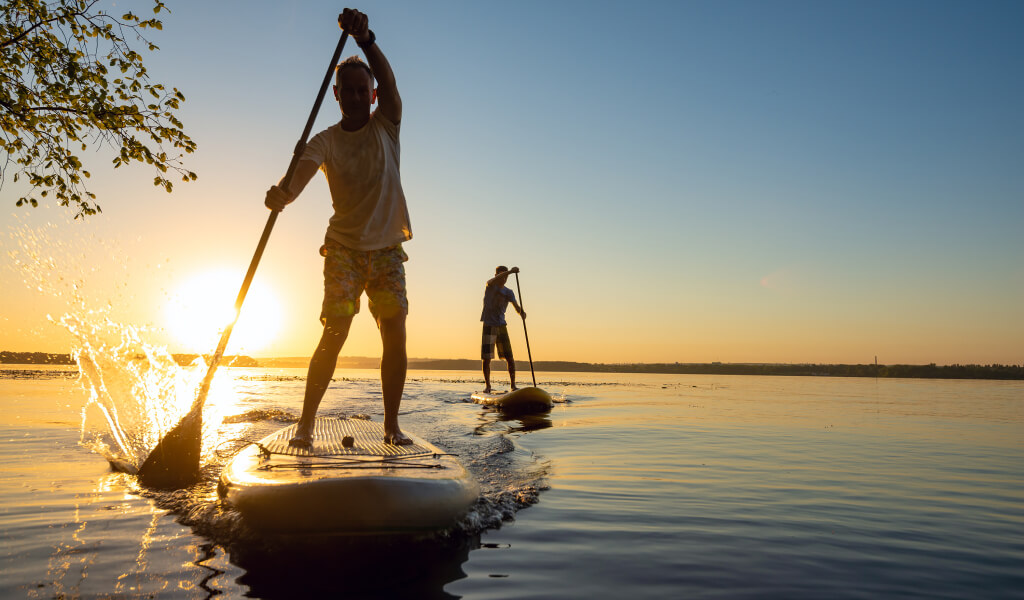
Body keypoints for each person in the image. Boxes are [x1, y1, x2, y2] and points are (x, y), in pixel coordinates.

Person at [265, 8, 412, 447]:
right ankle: (307, 425)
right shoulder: (324, 140)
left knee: (395, 332)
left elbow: (390, 83)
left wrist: (366, 41)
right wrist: (282, 194)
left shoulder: (388, 124)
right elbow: (296, 181)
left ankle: (391, 426)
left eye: (360, 89)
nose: (353, 95)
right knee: (336, 330)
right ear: (335, 94)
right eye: (345, 89)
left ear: (371, 95)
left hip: (387, 249)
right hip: (344, 249)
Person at [480, 266, 525, 393]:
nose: (504, 278)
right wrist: (510, 271)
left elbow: (516, 307)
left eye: (506, 277)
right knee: (487, 358)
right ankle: (488, 386)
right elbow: (490, 281)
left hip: (501, 325)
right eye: (501, 275)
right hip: (489, 324)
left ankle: (513, 385)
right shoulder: (490, 286)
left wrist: (522, 312)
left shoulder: (508, 292)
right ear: (496, 275)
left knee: (510, 357)